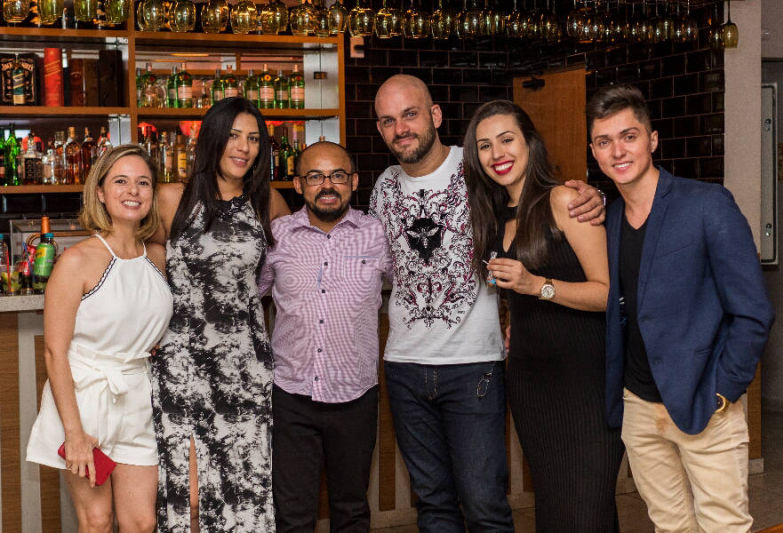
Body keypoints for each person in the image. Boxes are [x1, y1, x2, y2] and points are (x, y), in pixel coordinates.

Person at [369, 74, 605, 532]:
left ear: (435, 115)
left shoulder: (478, 167)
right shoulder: (383, 187)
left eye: (410, 114)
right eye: (388, 120)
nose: (401, 128)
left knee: (484, 505)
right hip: (404, 366)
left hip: (473, 366)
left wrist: (593, 196)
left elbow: (536, 199)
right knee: (432, 505)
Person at [587, 84, 775, 532]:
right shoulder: (609, 220)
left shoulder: (707, 205)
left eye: (629, 136)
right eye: (604, 141)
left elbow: (753, 311)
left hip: (705, 400)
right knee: (670, 527)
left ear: (652, 140)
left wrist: (724, 391)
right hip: (638, 406)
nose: (618, 151)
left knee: (724, 526)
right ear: (594, 152)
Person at [463, 100, 624, 531]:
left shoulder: (566, 201)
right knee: (556, 511)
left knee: (585, 512)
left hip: (585, 383)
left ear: (530, 143)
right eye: (484, 146)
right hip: (531, 383)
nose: (497, 153)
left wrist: (537, 285)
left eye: (507, 139)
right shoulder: (494, 217)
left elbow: (609, 294)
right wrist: (515, 319)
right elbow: (515, 296)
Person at [149, 97, 290, 532]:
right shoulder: (172, 198)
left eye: (254, 139)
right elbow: (145, 262)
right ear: (212, 138)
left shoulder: (268, 203)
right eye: (234, 136)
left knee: (242, 488)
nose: (244, 147)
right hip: (181, 362)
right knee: (190, 494)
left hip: (244, 366)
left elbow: (290, 271)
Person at [26, 144, 173, 532]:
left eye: (143, 182)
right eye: (120, 181)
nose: (133, 191)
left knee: (142, 523)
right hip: (85, 400)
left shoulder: (158, 257)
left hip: (138, 397)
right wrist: (73, 433)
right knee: (97, 521)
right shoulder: (76, 260)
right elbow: (55, 352)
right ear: (101, 193)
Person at [259, 141, 392, 533]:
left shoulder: (377, 234)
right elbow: (247, 296)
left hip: (355, 397)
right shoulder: (278, 236)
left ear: (354, 181)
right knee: (293, 514)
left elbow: (415, 286)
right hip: (291, 396)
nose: (328, 185)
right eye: (315, 176)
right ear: (299, 185)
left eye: (337, 175)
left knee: (351, 510)